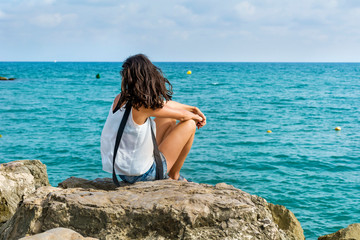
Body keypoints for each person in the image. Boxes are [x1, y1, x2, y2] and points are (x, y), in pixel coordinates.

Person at [101, 54, 206, 183]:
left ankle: (167, 170)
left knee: (167, 120)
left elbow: (163, 105)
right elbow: (183, 116)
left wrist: (192, 108)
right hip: (143, 175)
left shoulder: (121, 97)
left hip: (122, 171)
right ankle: (174, 175)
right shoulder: (142, 105)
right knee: (189, 124)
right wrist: (195, 117)